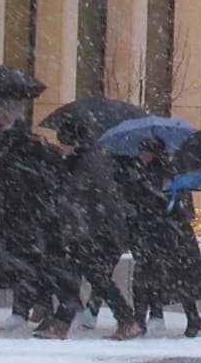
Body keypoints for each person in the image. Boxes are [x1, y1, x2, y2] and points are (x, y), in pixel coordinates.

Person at [0, 107, 63, 331]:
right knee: (7, 267)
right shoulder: (25, 153)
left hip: (21, 221)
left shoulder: (17, 157)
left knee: (20, 268)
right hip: (19, 222)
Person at [50, 124, 145, 340]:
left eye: (63, 142)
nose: (60, 146)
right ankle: (62, 323)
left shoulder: (87, 164)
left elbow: (84, 199)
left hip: (94, 232)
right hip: (92, 230)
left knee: (94, 276)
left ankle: (126, 321)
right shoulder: (85, 161)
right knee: (79, 275)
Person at [123, 140, 201, 336]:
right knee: (150, 278)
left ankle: (189, 318)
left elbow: (175, 205)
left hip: (165, 235)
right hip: (162, 234)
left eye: (145, 151)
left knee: (163, 278)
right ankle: (142, 319)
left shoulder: (164, 175)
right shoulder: (159, 173)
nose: (142, 155)